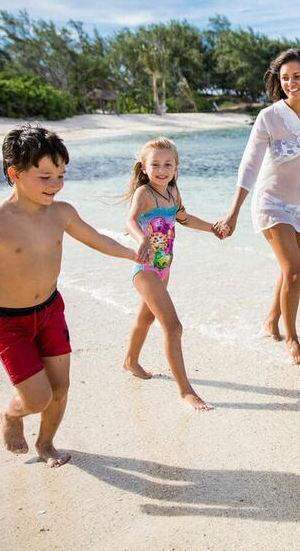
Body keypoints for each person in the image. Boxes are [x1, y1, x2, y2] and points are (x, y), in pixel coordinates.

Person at [0, 125, 144, 467]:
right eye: (45, 177)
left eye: (61, 175)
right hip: (9, 323)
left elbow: (96, 239)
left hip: (50, 311)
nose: (55, 184)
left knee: (60, 389)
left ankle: (46, 444)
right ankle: (11, 414)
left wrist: (131, 253)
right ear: (14, 174)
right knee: (36, 397)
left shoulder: (61, 213)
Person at [216, 48, 300, 364]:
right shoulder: (269, 117)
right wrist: (233, 211)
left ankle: (271, 320)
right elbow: (250, 165)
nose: (291, 83)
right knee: (295, 273)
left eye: (297, 76)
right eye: (285, 78)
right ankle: (292, 337)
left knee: (289, 271)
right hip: (272, 204)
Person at [124, 137, 227, 410]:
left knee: (146, 318)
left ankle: (130, 361)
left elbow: (185, 219)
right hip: (145, 268)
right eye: (155, 164)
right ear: (144, 168)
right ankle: (185, 391)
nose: (162, 169)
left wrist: (212, 228)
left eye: (168, 164)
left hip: (164, 267)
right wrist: (141, 239)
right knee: (173, 327)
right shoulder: (144, 194)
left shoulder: (172, 194)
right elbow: (130, 220)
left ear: (176, 168)